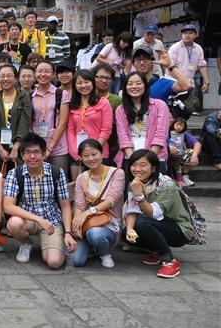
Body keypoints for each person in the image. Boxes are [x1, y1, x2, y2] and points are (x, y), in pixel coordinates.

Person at [3, 134, 76, 269]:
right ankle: (26, 243)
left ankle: (50, 243)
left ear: (44, 154)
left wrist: (68, 233)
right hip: (27, 219)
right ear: (22, 155)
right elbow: (7, 206)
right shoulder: (15, 173)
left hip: (51, 220)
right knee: (14, 223)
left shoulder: (56, 172)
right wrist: (38, 219)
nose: (32, 157)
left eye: (36, 152)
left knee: (55, 263)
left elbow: (65, 206)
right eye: (28, 152)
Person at [123, 149, 193, 278]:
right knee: (125, 234)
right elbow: (132, 209)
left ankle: (169, 261)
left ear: (154, 168)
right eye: (134, 165)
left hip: (179, 229)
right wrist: (129, 229)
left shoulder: (166, 185)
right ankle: (156, 251)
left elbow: (154, 213)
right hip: (157, 223)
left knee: (142, 223)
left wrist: (139, 194)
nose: (137, 169)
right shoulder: (135, 183)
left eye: (143, 165)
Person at [71, 139, 125, 268]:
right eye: (86, 155)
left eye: (94, 154)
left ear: (102, 153)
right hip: (87, 223)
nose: (91, 158)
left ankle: (104, 253)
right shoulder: (81, 178)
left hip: (109, 223)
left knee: (95, 234)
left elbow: (111, 200)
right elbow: (79, 205)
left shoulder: (117, 173)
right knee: (77, 261)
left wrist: (89, 212)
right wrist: (76, 222)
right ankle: (91, 245)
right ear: (81, 158)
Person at [114, 72, 170, 172]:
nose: (134, 86)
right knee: (131, 187)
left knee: (153, 188)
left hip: (155, 157)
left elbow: (161, 134)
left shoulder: (159, 105)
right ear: (125, 87)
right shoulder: (121, 110)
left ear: (145, 85)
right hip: (130, 158)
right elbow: (123, 137)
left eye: (138, 83)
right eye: (130, 84)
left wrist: (148, 159)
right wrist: (134, 160)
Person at [66, 70, 112, 180]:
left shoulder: (103, 102)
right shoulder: (73, 105)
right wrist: (76, 153)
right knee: (79, 188)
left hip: (99, 153)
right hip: (78, 156)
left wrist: (93, 151)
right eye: (79, 83)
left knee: (99, 189)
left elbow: (106, 129)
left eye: (86, 82)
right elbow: (71, 130)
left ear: (92, 82)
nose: (83, 85)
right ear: (74, 85)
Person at [0, 65, 32, 171]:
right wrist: (0, 148)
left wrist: (16, 147)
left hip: (20, 146)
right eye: (2, 76)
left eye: (9, 76)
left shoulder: (24, 98)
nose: (5, 79)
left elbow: (25, 123)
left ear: (16, 78)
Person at [31, 61, 70, 176]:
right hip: (37, 148)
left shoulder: (61, 94)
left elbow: (63, 123)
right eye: (40, 71)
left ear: (53, 74)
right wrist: (36, 147)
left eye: (47, 71)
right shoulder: (30, 95)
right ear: (35, 73)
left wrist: (49, 148)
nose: (43, 74)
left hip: (58, 148)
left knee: (60, 181)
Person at [168, 24, 210, 111]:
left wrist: (206, 82)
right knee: (173, 110)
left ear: (195, 35)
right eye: (185, 33)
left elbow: (202, 66)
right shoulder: (175, 48)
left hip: (189, 84)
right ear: (182, 35)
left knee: (186, 110)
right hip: (174, 83)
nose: (187, 35)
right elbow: (170, 67)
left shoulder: (198, 48)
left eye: (190, 33)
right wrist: (181, 82)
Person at [167, 117, 201, 187]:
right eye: (177, 124)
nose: (179, 127)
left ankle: (184, 175)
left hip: (181, 155)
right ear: (174, 124)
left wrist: (194, 156)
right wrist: (168, 147)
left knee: (191, 152)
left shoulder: (184, 134)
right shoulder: (168, 132)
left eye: (181, 126)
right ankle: (175, 179)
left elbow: (197, 144)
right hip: (169, 155)